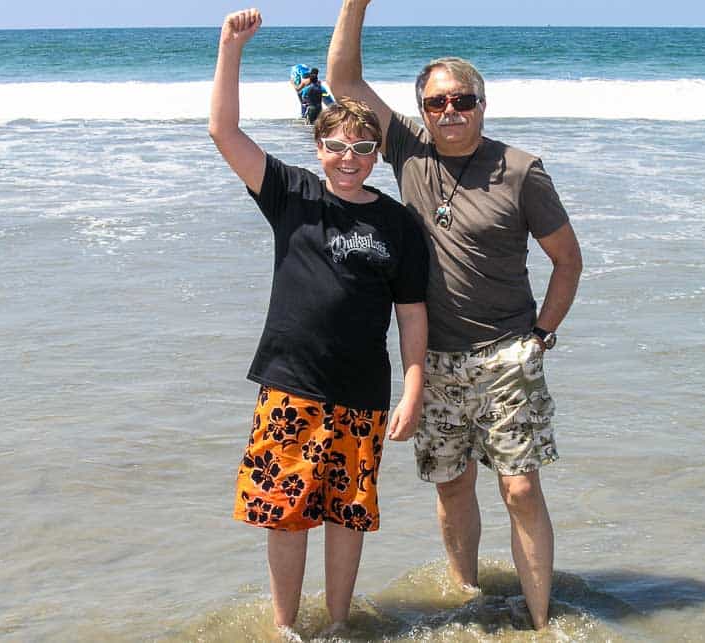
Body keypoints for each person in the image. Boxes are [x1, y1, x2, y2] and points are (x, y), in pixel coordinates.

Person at [326, 0, 583, 631]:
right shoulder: (408, 151)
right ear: (422, 111)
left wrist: (540, 338)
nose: (450, 112)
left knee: (520, 489)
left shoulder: (521, 170)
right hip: (433, 359)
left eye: (461, 101)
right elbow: (343, 79)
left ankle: (542, 621)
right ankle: (469, 600)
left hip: (506, 353)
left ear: (482, 104)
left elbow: (569, 261)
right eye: (437, 102)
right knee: (452, 485)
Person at [209, 8, 429, 633]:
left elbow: (413, 315)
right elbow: (223, 131)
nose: (349, 158)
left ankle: (336, 624)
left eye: (362, 148)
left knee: (346, 517)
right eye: (336, 148)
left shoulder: (399, 224)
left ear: (375, 152)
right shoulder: (293, 195)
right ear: (319, 148)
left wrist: (411, 391)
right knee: (285, 514)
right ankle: (286, 628)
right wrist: (232, 50)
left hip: (361, 394)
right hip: (290, 385)